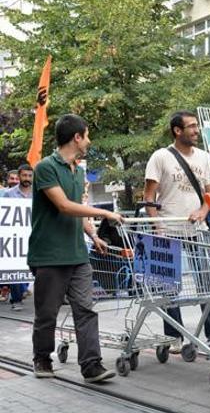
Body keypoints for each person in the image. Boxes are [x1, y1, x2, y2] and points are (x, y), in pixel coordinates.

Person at [28, 113, 121, 383]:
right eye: (87, 135)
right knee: (47, 314)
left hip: (78, 255)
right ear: (76, 137)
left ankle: (91, 365)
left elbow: (78, 213)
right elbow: (64, 206)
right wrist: (105, 214)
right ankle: (42, 358)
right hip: (49, 255)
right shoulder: (46, 167)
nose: (89, 141)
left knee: (86, 310)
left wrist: (93, 235)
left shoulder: (78, 171)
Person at [143, 110, 210, 354]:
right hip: (168, 230)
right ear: (177, 131)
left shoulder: (204, 158)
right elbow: (149, 197)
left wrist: (203, 211)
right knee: (168, 286)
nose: (196, 130)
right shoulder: (160, 157)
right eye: (191, 126)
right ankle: (174, 337)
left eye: (197, 126)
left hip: (196, 230)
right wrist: (156, 227)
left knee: (207, 284)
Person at [4, 163, 34, 310]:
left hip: (34, 235)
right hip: (15, 237)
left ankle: (25, 289)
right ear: (20, 176)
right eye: (24, 175)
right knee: (15, 267)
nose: (27, 178)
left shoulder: (38, 193)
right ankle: (16, 300)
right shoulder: (9, 194)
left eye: (30, 175)